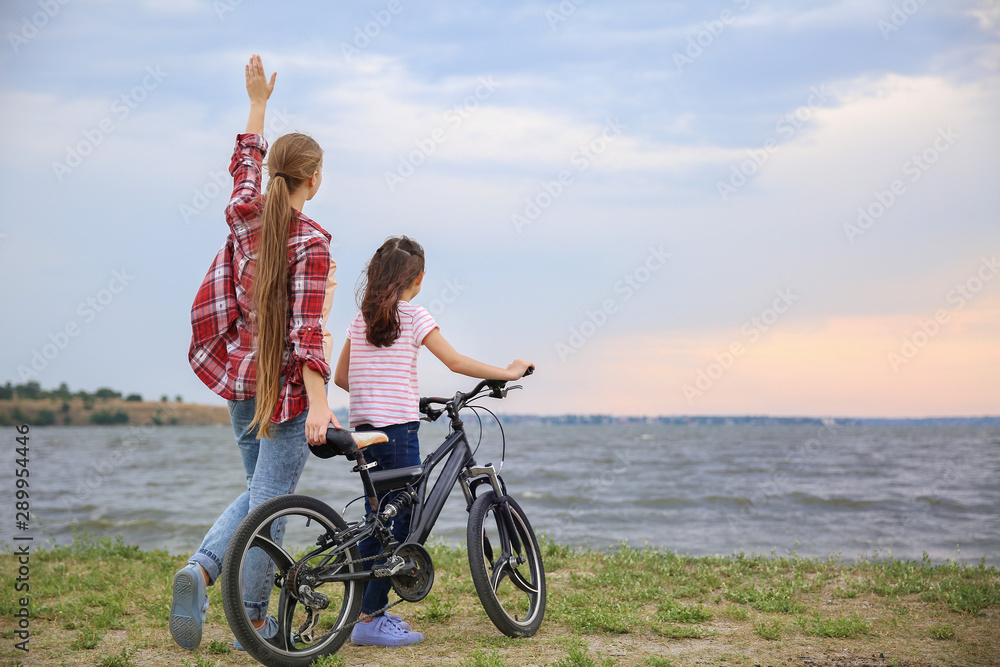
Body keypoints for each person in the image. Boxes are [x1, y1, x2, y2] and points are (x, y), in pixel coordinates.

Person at [170, 54, 341, 651]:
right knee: (272, 502)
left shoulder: (245, 213)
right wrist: (319, 405)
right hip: (285, 393)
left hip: (240, 382)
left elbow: (246, 159)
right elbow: (308, 334)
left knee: (256, 492)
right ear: (313, 181)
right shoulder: (311, 241)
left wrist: (258, 104)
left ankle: (202, 569)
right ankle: (253, 622)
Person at [333, 235, 534, 647]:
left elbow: (341, 378)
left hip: (364, 432)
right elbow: (456, 361)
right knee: (402, 521)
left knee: (381, 520)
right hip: (399, 432)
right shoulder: (414, 315)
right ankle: (370, 619)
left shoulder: (362, 319)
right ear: (417, 277)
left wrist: (385, 388)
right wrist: (508, 372)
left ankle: (360, 610)